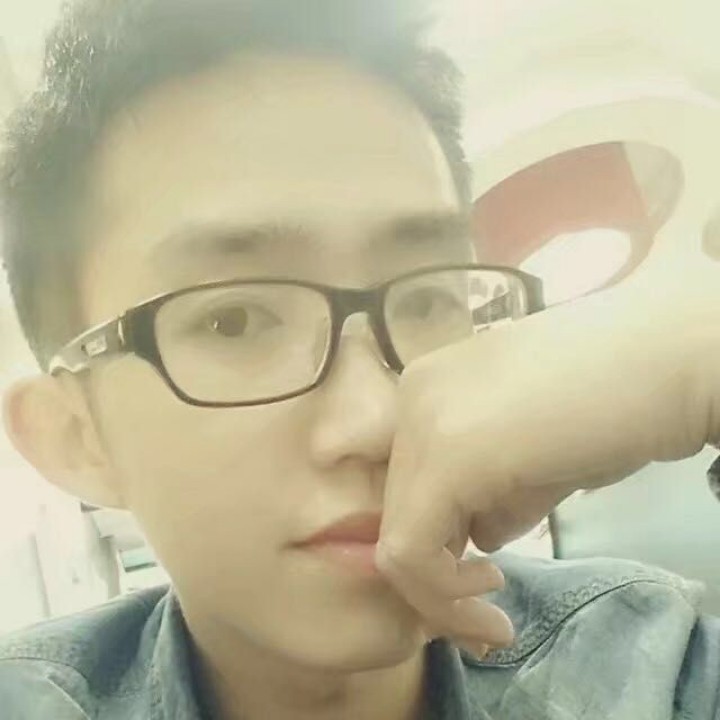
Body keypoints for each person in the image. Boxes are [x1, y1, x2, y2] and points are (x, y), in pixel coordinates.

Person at [0, 0, 719, 718]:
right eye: (233, 320)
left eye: (427, 301)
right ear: (75, 436)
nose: (377, 420)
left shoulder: (648, 666)